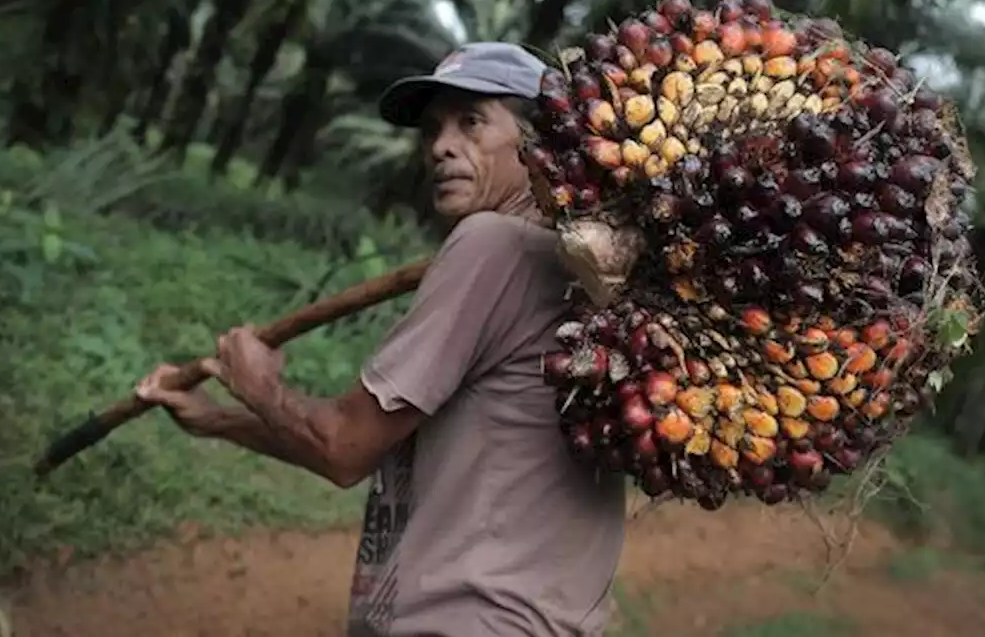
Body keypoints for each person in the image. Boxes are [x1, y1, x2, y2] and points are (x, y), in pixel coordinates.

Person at [134, 42, 627, 636]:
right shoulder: (578, 272)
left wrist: (258, 387)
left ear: (539, 142)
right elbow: (379, 439)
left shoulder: (491, 246)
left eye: (472, 121)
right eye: (432, 129)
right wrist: (215, 419)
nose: (441, 146)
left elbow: (344, 446)